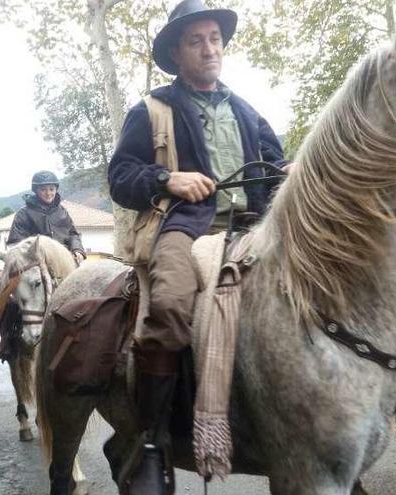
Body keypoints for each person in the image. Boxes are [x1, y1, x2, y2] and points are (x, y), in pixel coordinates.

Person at [106, 0, 288, 490]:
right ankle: (151, 438)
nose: (210, 49)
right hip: (188, 228)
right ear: (176, 52)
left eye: (215, 39)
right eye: (196, 40)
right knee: (167, 307)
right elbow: (121, 177)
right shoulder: (151, 110)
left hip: (257, 226)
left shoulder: (247, 112)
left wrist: (290, 175)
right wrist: (168, 178)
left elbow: (274, 170)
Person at [6, 170, 87, 263]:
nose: (48, 193)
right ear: (36, 190)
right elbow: (16, 243)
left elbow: (72, 234)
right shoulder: (24, 214)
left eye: (51, 189)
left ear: (56, 190)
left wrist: (77, 249)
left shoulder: (62, 211)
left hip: (65, 260)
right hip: (36, 263)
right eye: (43, 189)